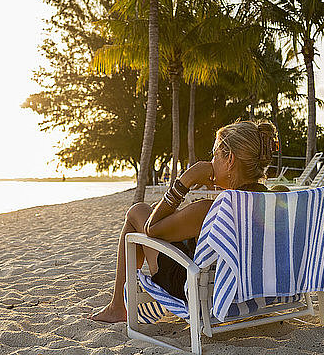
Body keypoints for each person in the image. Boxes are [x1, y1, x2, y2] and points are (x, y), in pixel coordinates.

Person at [90, 120, 281, 323]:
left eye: (215, 155)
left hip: (199, 289)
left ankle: (117, 306)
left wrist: (185, 181)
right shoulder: (274, 202)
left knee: (138, 211)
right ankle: (117, 306)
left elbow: (151, 228)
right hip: (252, 288)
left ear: (230, 160)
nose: (211, 162)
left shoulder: (211, 210)